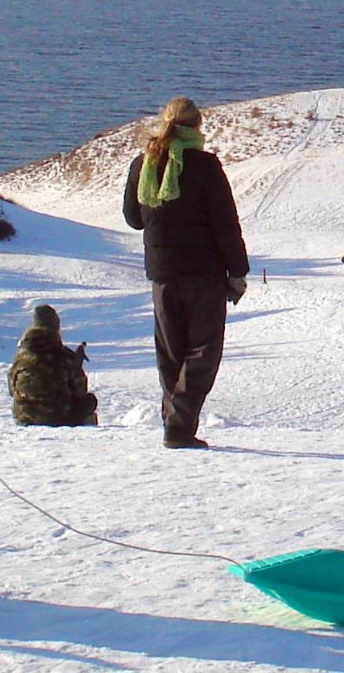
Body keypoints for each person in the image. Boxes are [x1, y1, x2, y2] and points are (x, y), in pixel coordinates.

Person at [122, 97, 249, 449]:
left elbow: (133, 219)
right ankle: (178, 428)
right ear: (196, 127)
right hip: (204, 274)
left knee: (170, 352)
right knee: (203, 352)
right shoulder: (205, 166)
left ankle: (174, 424)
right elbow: (226, 225)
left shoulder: (143, 163)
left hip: (162, 275)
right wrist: (238, 272)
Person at [8, 305, 98, 427]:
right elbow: (80, 392)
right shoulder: (65, 355)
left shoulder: (21, 355)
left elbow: (12, 389)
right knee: (89, 401)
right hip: (58, 417)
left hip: (23, 416)